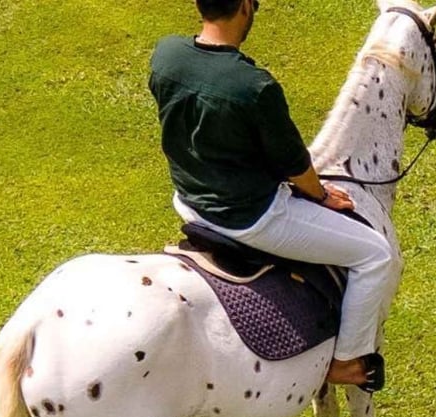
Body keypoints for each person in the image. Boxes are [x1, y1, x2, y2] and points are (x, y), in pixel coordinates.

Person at [148, 0, 396, 388]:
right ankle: (347, 362)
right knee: (375, 254)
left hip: (190, 201)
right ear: (245, 7)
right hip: (251, 218)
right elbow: (296, 167)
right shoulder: (253, 87)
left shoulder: (166, 55)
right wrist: (321, 196)